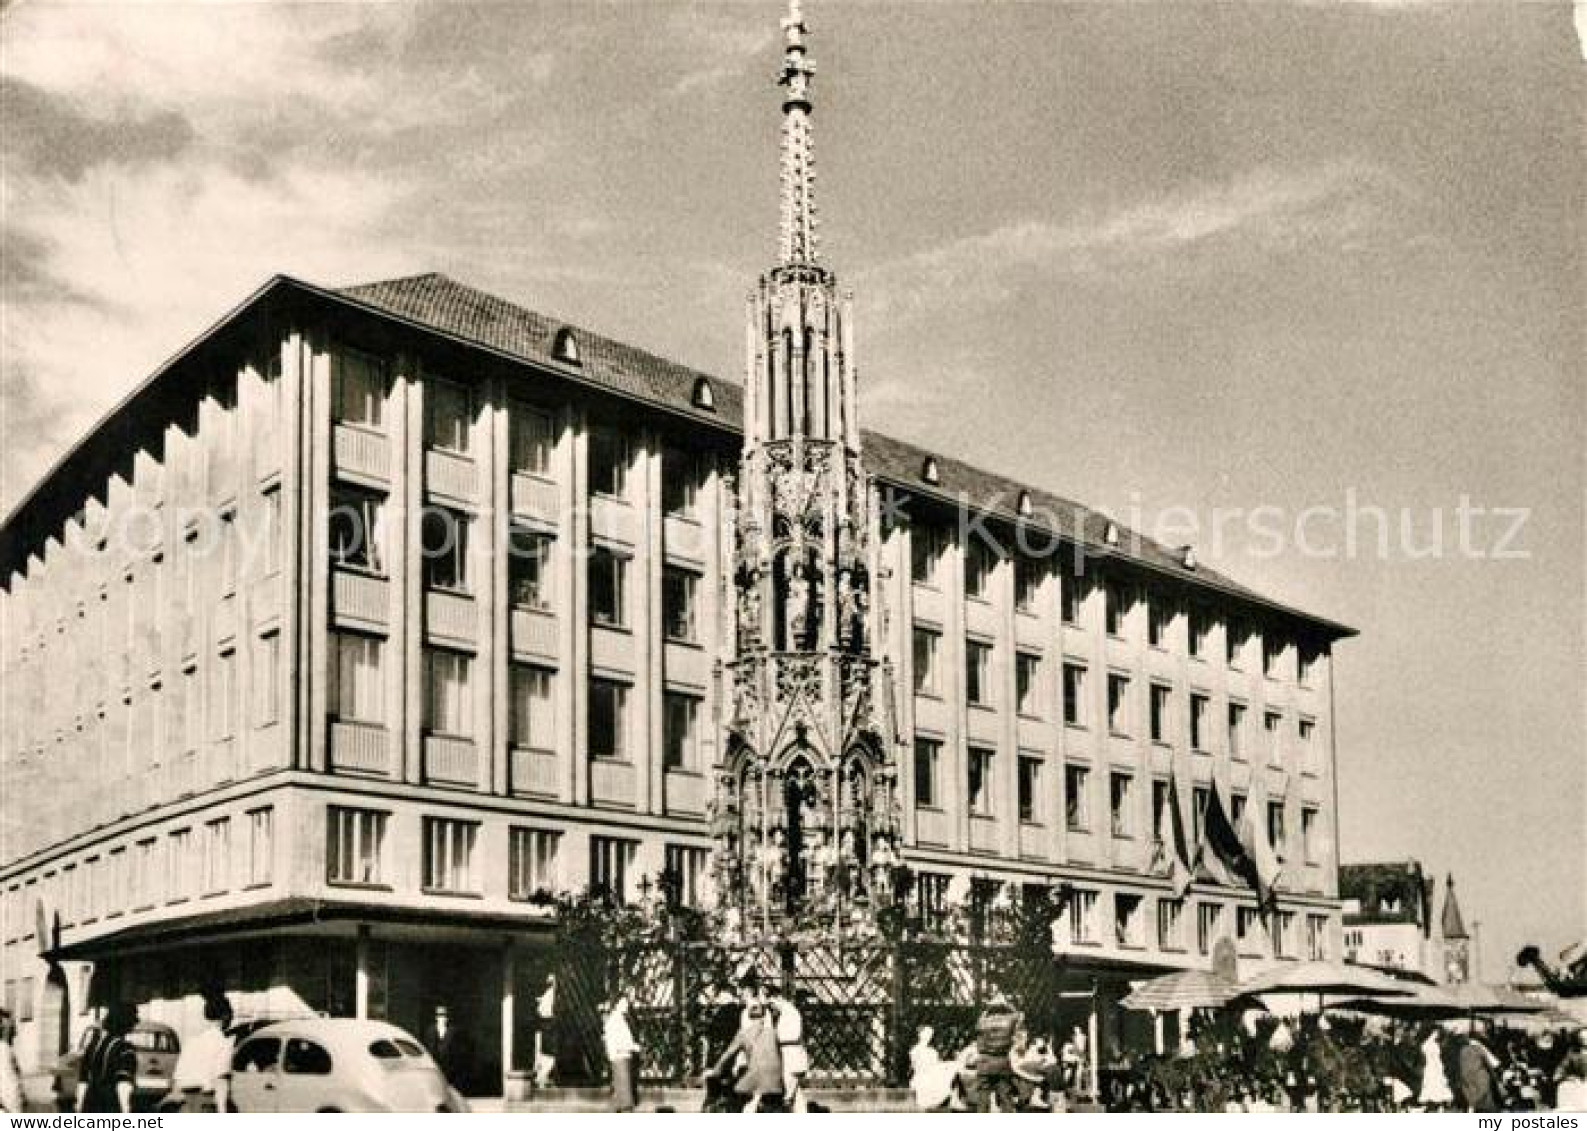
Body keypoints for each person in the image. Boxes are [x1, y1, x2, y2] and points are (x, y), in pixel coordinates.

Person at [709, 1000, 782, 1112]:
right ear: (764, 1017)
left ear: (748, 1018)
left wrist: (715, 1072)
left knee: (735, 1097)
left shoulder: (743, 1033)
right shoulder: (773, 1032)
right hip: (775, 1078)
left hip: (756, 1075)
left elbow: (728, 1054)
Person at [172, 992, 234, 1112]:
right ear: (225, 1016)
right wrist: (222, 1111)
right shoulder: (223, 1043)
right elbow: (221, 1079)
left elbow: (177, 1078)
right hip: (207, 1103)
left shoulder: (191, 1042)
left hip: (187, 1104)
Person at [77, 1002, 137, 1113]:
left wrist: (80, 1106)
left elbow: (83, 1080)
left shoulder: (93, 1045)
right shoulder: (125, 1049)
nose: (136, 1022)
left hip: (90, 1102)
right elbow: (123, 1086)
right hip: (110, 1105)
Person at [970, 992, 1020, 1112]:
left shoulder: (984, 1021)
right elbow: (1018, 1015)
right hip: (1002, 1061)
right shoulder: (1010, 1019)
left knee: (982, 1098)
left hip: (984, 1061)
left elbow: (978, 1026)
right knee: (1005, 1096)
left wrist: (988, 1007)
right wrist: (1006, 1004)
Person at [767, 987, 808, 1113]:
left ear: (778, 998)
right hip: (789, 1055)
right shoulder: (785, 1012)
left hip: (792, 1055)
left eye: (772, 1003)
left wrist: (775, 1037)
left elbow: (792, 1035)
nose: (771, 1007)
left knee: (789, 1095)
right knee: (796, 1096)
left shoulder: (790, 1012)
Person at [423, 1005, 473, 1095]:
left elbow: (458, 1048)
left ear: (447, 1017)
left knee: (449, 1087)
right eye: (439, 1015)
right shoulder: (430, 1030)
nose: (442, 1017)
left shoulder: (453, 1031)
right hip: (435, 1063)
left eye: (444, 1015)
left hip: (450, 1065)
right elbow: (427, 1046)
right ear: (436, 1017)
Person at [603, 996, 639, 1113]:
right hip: (620, 1057)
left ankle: (618, 1107)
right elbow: (617, 1042)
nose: (626, 1006)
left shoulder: (620, 1019)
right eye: (623, 1003)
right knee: (624, 1095)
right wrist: (633, 1046)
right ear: (616, 1004)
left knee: (621, 1091)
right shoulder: (614, 1020)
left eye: (626, 1003)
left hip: (623, 1056)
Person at [1458, 1022, 1501, 1113]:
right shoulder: (1479, 1048)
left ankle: (1471, 1108)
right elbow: (1493, 1063)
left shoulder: (1462, 1049)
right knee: (1485, 1099)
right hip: (1479, 1076)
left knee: (1471, 1096)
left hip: (1466, 1077)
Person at [1418, 1025, 1454, 1110]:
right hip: (1433, 1065)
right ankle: (1435, 1103)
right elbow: (1432, 1057)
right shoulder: (1430, 1044)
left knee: (1435, 1083)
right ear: (1431, 1033)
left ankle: (1437, 1104)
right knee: (1434, 1083)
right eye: (1435, 1033)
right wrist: (1438, 1066)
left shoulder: (1427, 1044)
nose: (1437, 1034)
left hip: (1432, 1065)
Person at [1553, 1030, 1587, 1113]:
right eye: (1582, 1038)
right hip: (1580, 1083)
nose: (1585, 1040)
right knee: (1564, 1086)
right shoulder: (1573, 1052)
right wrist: (1568, 1077)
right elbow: (1562, 1068)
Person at [534, 976, 557, 1089]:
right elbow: (542, 1011)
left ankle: (542, 1077)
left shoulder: (551, 993)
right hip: (548, 1023)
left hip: (548, 1023)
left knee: (547, 1055)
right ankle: (542, 1078)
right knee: (547, 1054)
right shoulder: (549, 994)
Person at [0, 1008, 23, 1114]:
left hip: (12, 1103)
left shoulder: (6, 1049)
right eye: (11, 1026)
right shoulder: (3, 1048)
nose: (15, 1031)